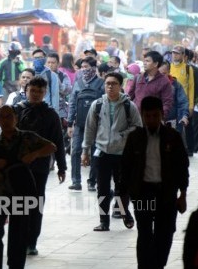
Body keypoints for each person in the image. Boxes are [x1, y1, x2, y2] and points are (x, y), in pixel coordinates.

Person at [0, 105, 56, 269]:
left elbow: (52, 146)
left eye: (9, 117)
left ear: (16, 118)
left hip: (21, 192)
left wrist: (34, 154)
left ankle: (15, 265)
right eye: (2, 117)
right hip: (0, 194)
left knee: (18, 233)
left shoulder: (28, 138)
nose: (6, 120)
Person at [120, 96, 189, 269]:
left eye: (155, 116)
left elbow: (182, 167)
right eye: (147, 116)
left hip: (166, 194)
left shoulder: (173, 137)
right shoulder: (135, 138)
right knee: (144, 234)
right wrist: (122, 196)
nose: (151, 120)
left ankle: (158, 266)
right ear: (142, 115)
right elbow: (126, 168)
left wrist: (183, 194)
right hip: (143, 193)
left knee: (165, 234)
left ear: (161, 115)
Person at [81, 72, 142, 231]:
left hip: (123, 154)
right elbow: (90, 129)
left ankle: (124, 212)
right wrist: (85, 151)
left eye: (114, 83)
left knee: (122, 188)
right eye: (107, 83)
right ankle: (104, 221)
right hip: (102, 153)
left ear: (120, 85)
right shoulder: (98, 104)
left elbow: (138, 127)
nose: (110, 86)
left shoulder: (129, 106)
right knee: (102, 188)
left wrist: (123, 134)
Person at [13, 76, 66, 255]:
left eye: (39, 91)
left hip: (40, 167)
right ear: (26, 90)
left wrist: (62, 166)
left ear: (45, 93)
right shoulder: (16, 111)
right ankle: (18, 238)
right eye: (32, 91)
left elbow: (58, 140)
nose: (35, 94)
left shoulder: (51, 115)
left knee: (35, 204)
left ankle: (31, 241)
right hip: (17, 167)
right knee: (18, 204)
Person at [67, 56, 105, 191]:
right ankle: (76, 181)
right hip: (79, 123)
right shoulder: (77, 82)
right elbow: (72, 103)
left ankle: (92, 181)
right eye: (82, 67)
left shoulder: (101, 83)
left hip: (97, 124)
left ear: (94, 68)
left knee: (95, 151)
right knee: (76, 150)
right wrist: (70, 123)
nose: (84, 70)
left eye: (86, 67)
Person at [127, 51, 173, 118]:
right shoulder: (138, 77)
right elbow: (129, 97)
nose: (144, 63)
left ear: (155, 64)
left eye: (147, 61)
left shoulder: (164, 81)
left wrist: (159, 117)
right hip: (136, 119)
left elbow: (167, 103)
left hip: (152, 120)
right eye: (144, 61)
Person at [170, 45, 195, 156]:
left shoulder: (187, 69)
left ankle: (186, 149)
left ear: (183, 55)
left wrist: (190, 106)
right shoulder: (168, 67)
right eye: (173, 53)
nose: (174, 55)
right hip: (171, 103)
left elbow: (191, 88)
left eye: (177, 53)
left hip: (183, 104)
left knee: (182, 127)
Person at [159, 60, 190, 133]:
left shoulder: (176, 85)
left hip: (173, 123)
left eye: (164, 74)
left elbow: (183, 103)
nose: (160, 77)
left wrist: (184, 116)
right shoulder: (151, 85)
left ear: (169, 72)